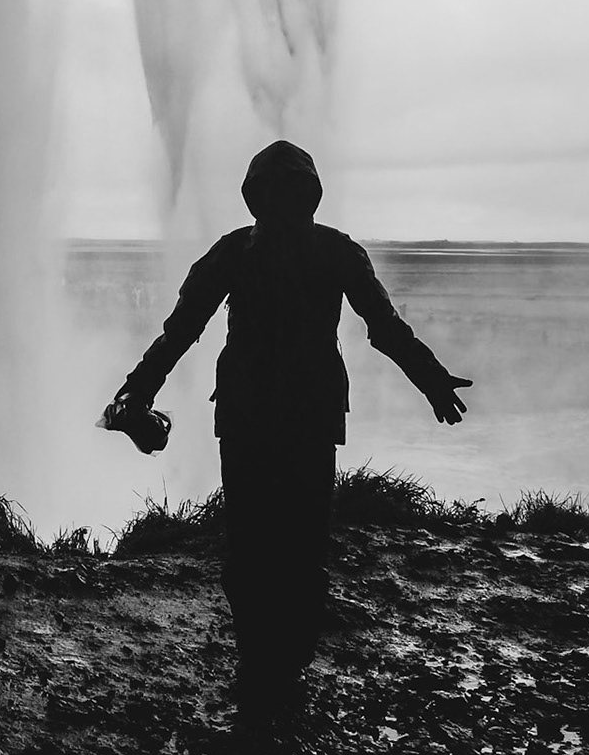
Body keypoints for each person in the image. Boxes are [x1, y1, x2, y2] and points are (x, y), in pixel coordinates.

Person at [109, 140, 472, 725]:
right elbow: (384, 328)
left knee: (256, 545)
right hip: (305, 418)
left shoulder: (235, 253)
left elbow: (181, 330)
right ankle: (280, 666)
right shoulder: (335, 252)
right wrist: (430, 379)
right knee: (298, 545)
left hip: (253, 417)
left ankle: (264, 665)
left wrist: (136, 393)